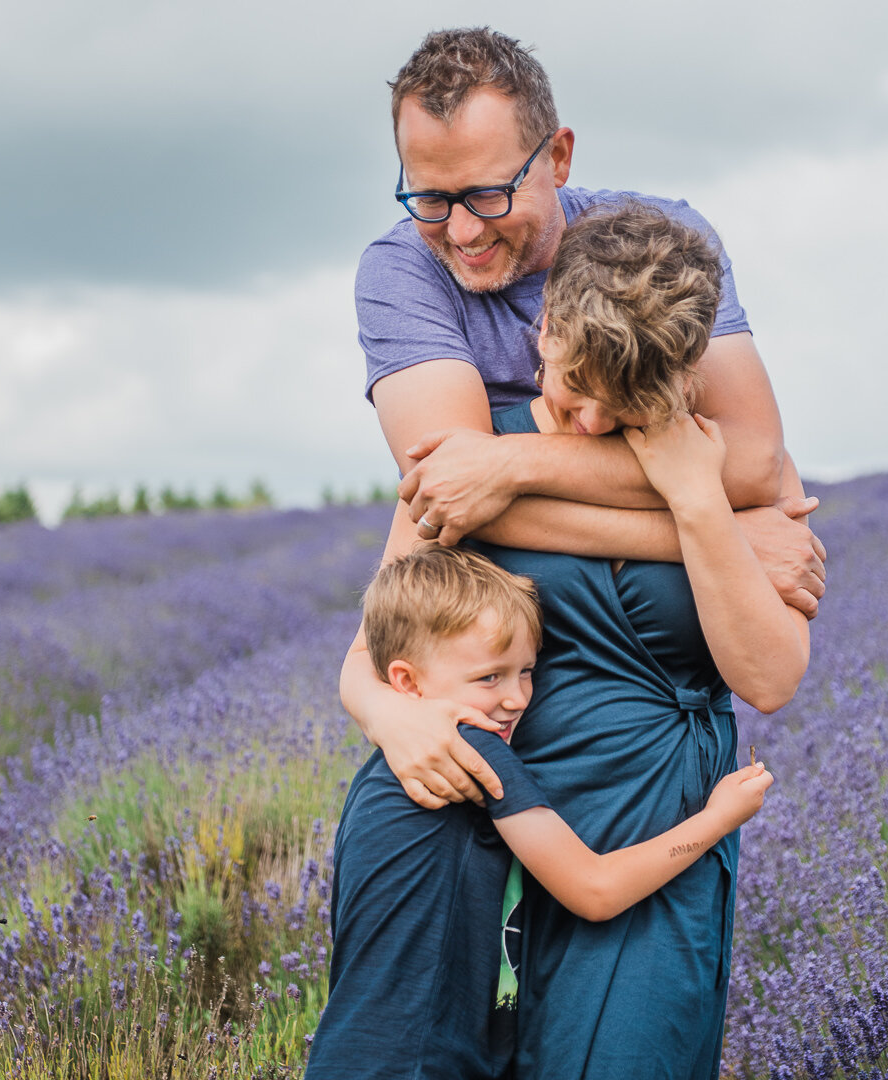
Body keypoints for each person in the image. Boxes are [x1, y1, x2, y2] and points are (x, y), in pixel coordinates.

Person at [341, 197, 810, 1078]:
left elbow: (773, 677)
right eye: (578, 387)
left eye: (628, 405)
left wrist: (702, 502)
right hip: (481, 824)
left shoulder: (723, 471)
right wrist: (386, 714)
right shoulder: (473, 464)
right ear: (545, 328)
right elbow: (378, 644)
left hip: (653, 823)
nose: (593, 425)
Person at [342, 26, 826, 812]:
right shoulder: (402, 272)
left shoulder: (661, 253)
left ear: (558, 156)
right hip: (495, 736)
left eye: (490, 194)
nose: (462, 233)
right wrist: (724, 536)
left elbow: (751, 463)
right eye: (431, 198)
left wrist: (514, 464)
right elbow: (453, 505)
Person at [306, 545, 773, 1080]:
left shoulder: (380, 774)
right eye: (489, 678)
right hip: (422, 1063)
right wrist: (719, 818)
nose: (515, 698)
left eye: (526, 671)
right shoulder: (480, 754)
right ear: (407, 681)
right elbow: (594, 890)